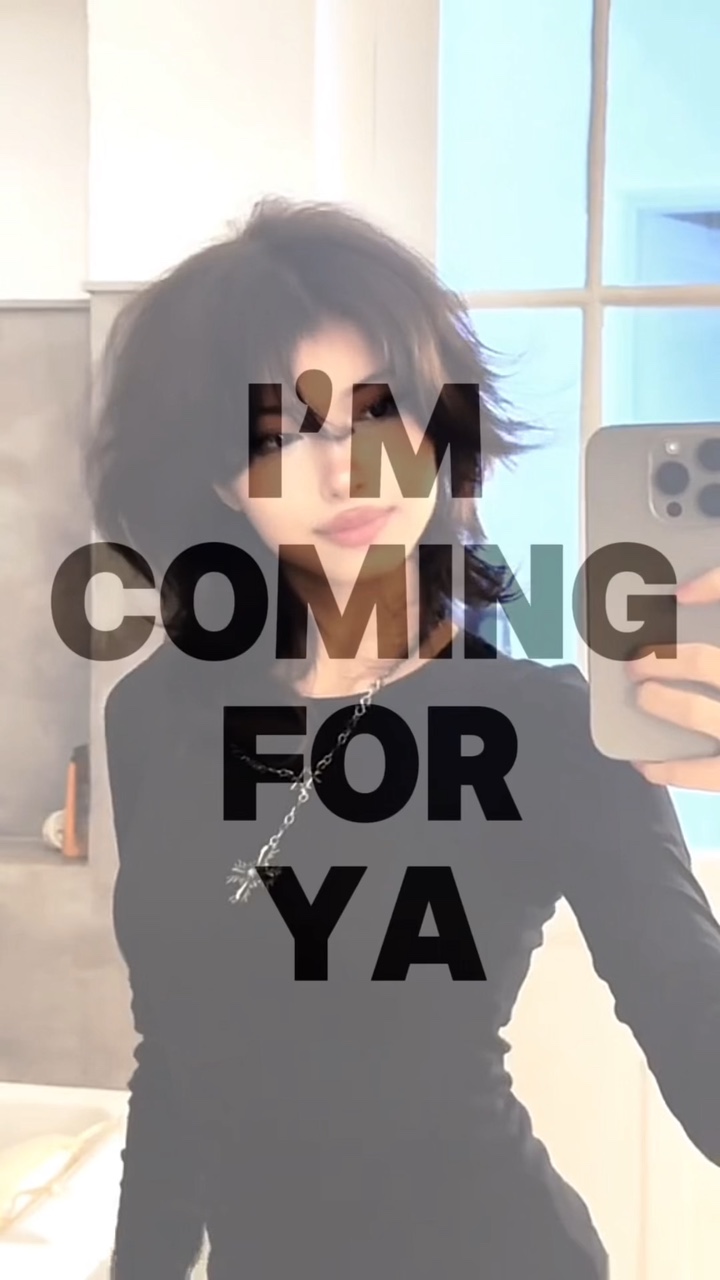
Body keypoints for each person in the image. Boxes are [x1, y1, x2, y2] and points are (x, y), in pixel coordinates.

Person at [87, 198, 720, 1280]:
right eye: (282, 433)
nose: (350, 471)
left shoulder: (543, 729)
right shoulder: (155, 714)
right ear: (218, 477)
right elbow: (178, 1057)